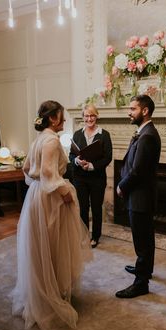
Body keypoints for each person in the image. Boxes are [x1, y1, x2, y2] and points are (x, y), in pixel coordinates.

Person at [12, 100, 92, 330]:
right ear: (53, 119)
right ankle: (51, 293)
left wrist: (37, 185)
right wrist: (65, 192)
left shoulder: (38, 139)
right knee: (54, 245)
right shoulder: (51, 140)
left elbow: (27, 168)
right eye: (62, 116)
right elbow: (48, 172)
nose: (65, 120)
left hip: (37, 196)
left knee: (41, 246)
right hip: (50, 199)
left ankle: (44, 288)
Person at [115, 95, 161, 299]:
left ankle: (141, 283)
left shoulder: (148, 135)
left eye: (133, 108)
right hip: (140, 195)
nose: (129, 112)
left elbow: (138, 171)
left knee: (142, 240)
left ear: (145, 111)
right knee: (145, 237)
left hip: (140, 196)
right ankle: (145, 269)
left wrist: (122, 187)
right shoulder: (144, 132)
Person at [69, 104, 112, 248]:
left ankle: (95, 236)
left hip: (97, 178)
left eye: (92, 115)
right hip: (80, 178)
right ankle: (84, 235)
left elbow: (108, 157)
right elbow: (71, 154)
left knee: (96, 207)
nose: (89, 118)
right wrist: (76, 160)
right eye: (86, 116)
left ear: (97, 116)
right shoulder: (77, 134)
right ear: (83, 117)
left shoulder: (104, 134)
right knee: (82, 208)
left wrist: (92, 166)